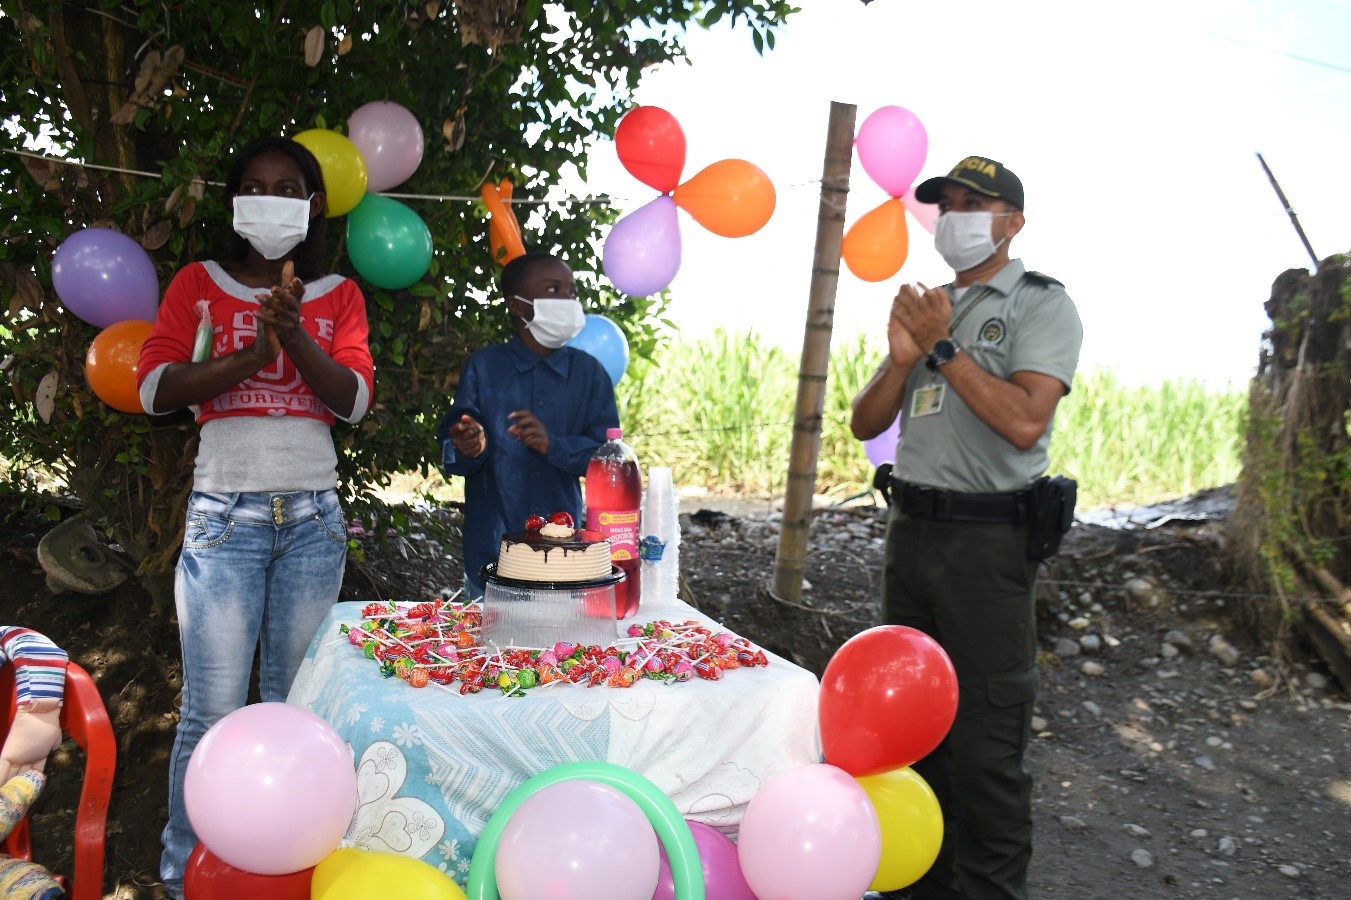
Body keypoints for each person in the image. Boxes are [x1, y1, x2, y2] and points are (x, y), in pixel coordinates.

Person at [136, 136, 375, 900]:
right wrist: (250, 354)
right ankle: (181, 877)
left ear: (312, 205)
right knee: (210, 713)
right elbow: (154, 389)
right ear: (235, 201)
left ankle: (284, 872)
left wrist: (295, 332)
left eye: (288, 187)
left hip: (312, 519)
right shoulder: (196, 286)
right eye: (255, 184)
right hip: (224, 520)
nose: (271, 197)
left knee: (293, 707)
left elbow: (354, 401)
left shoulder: (337, 293)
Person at [852, 156, 1082, 900]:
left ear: (1010, 221)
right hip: (910, 537)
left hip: (986, 548)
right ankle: (921, 879)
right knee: (911, 730)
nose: (954, 216)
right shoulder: (928, 305)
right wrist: (900, 361)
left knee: (985, 741)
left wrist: (944, 351)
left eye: (972, 203)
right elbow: (865, 421)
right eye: (945, 204)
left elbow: (1023, 421)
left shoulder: (1038, 305)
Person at [436, 252, 619, 598]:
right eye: (553, 289)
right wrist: (470, 445)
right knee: (495, 650)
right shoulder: (485, 367)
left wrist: (554, 445)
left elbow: (608, 460)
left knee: (561, 650)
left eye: (572, 291)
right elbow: (454, 447)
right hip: (491, 557)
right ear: (518, 306)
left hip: (566, 560)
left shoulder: (590, 373)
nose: (568, 300)